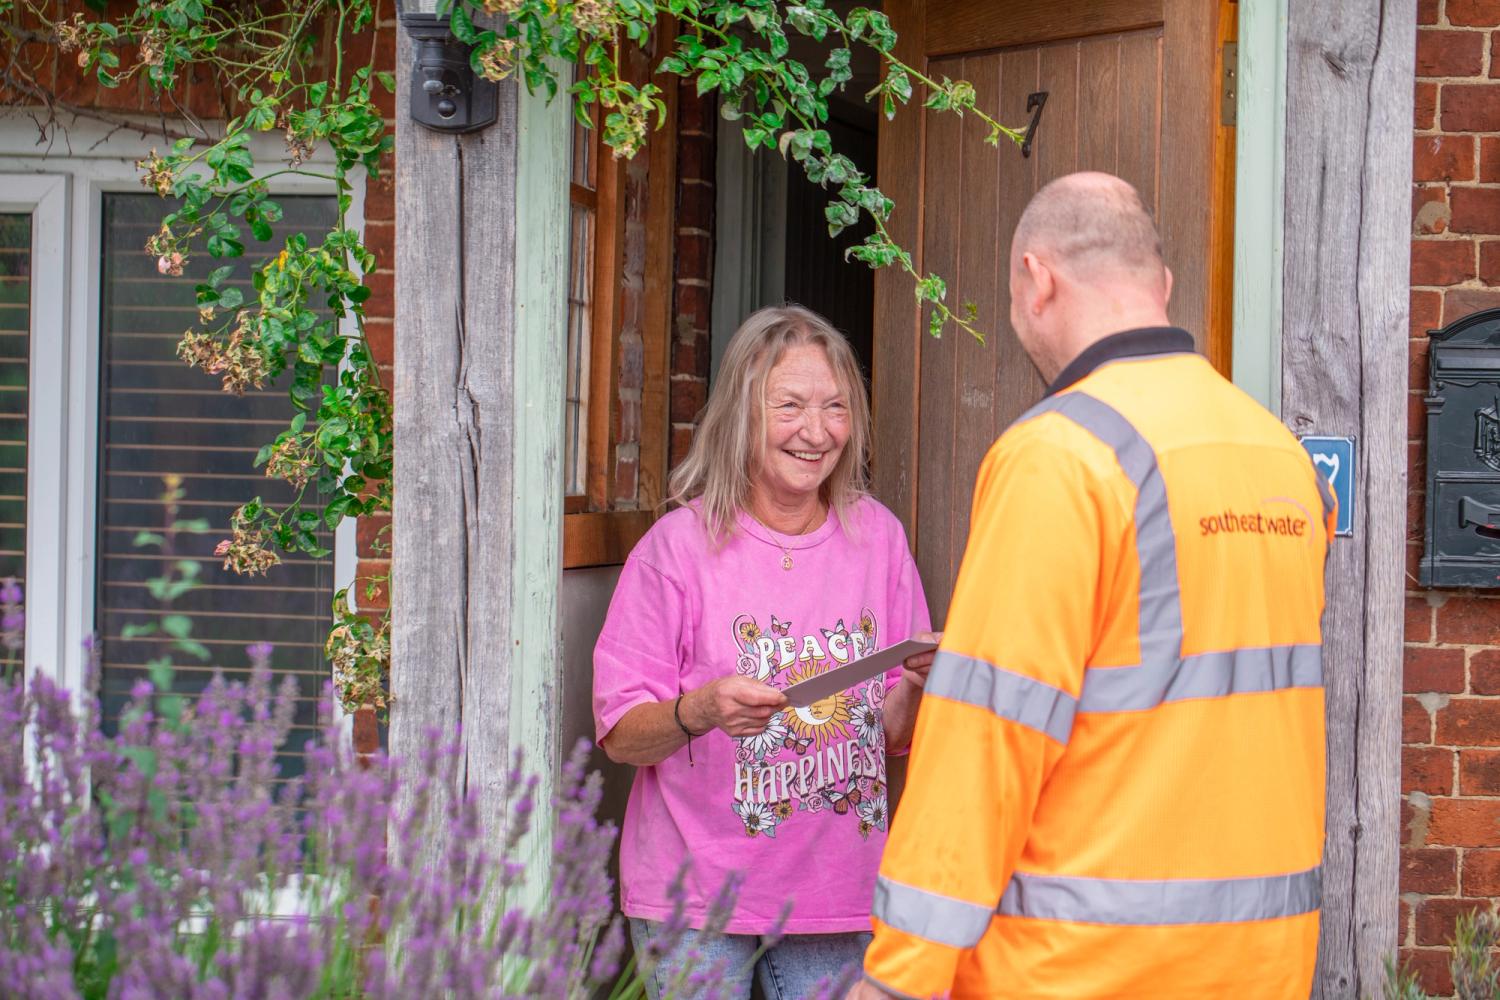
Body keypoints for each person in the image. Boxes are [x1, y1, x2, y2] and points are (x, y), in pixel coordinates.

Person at [852, 172, 1333, 999]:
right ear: (1163, 287)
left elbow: (988, 739)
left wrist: (898, 976)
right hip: (1260, 968)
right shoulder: (1276, 453)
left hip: (1079, 969)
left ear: (1037, 280)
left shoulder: (1061, 455)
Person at [594, 305, 935, 999]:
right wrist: (699, 710)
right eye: (790, 406)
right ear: (743, 416)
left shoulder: (879, 539)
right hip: (695, 901)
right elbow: (622, 737)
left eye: (836, 407)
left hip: (836, 897)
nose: (817, 432)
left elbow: (892, 737)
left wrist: (922, 683)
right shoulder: (677, 549)